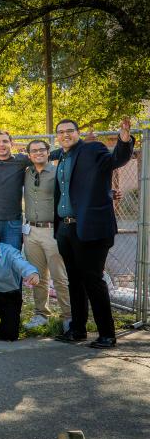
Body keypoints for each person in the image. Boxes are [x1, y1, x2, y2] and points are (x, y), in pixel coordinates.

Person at [51, 118, 134, 348]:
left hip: (90, 228)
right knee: (74, 282)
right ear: (57, 136)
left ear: (78, 133)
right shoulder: (62, 157)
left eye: (70, 131)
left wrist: (124, 140)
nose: (65, 134)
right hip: (66, 229)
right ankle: (77, 330)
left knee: (93, 281)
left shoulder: (92, 149)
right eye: (61, 132)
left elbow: (117, 159)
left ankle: (107, 335)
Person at [21, 139, 71, 331]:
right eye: (34, 151)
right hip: (31, 230)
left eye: (42, 149)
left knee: (59, 276)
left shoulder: (59, 172)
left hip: (53, 230)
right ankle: (41, 314)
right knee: (38, 276)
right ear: (29, 155)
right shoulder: (26, 173)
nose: (38, 153)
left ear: (48, 152)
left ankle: (68, 316)